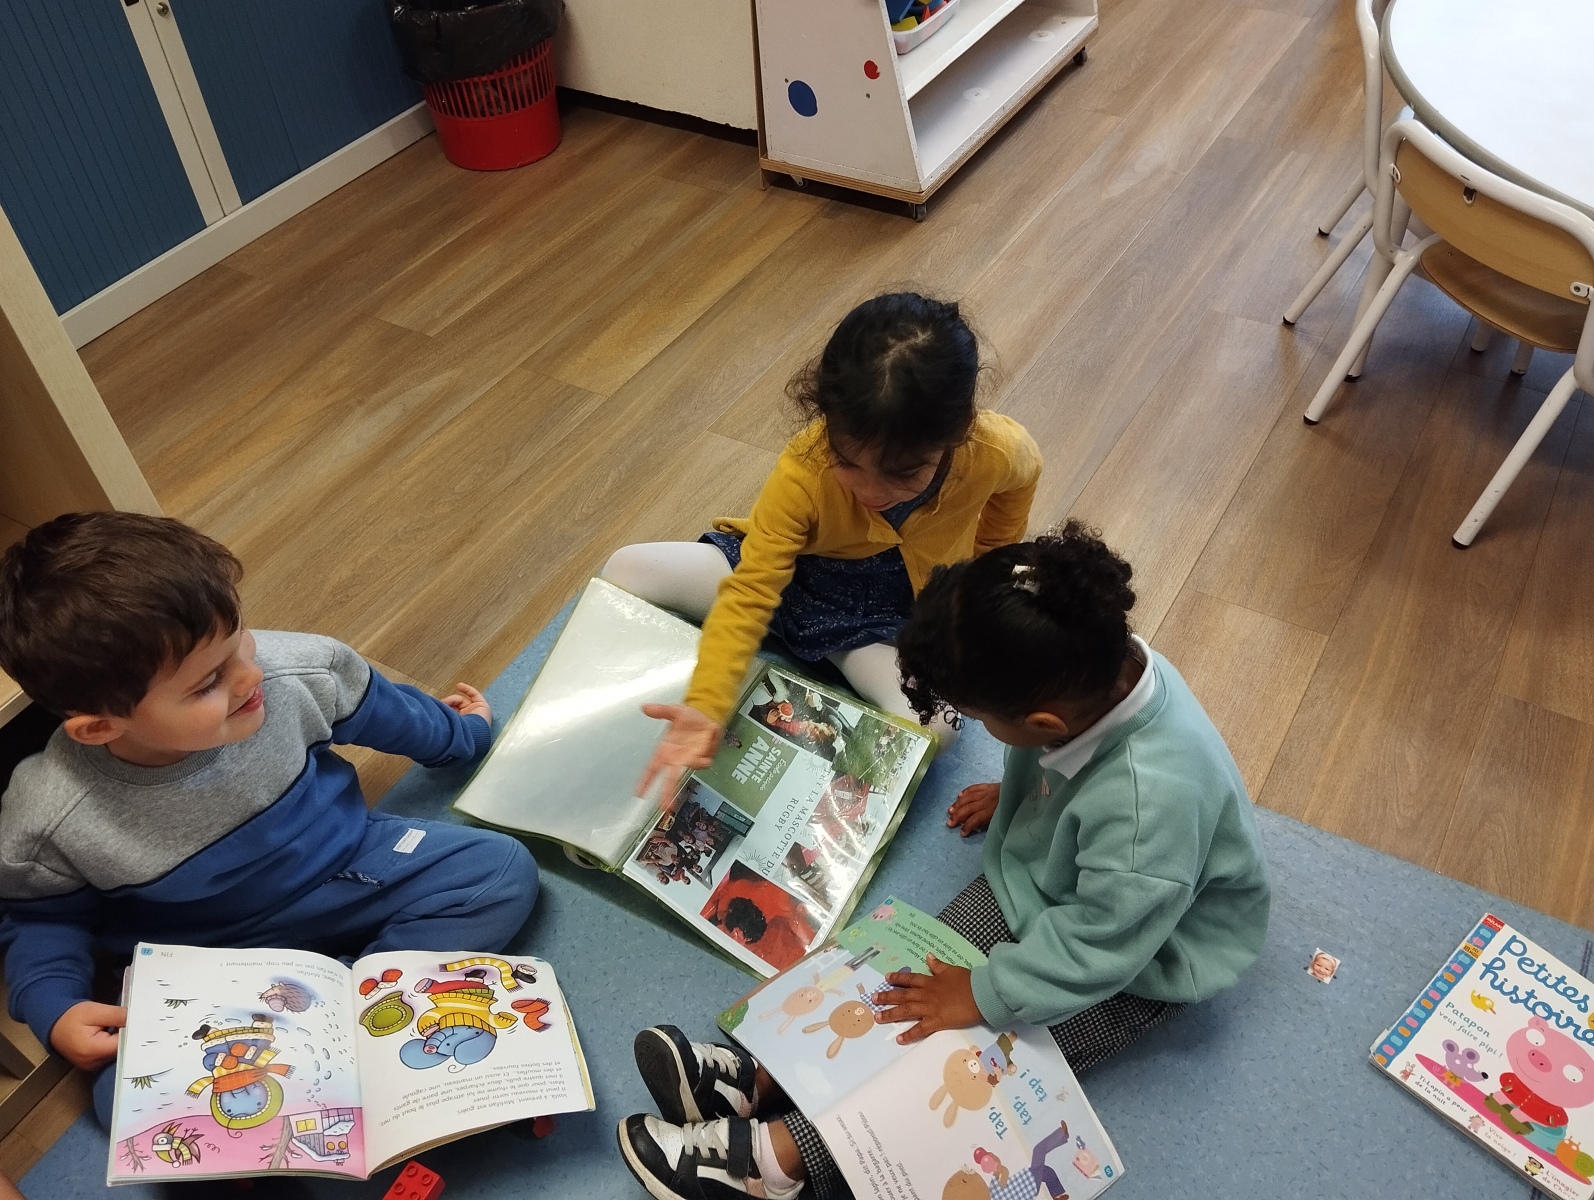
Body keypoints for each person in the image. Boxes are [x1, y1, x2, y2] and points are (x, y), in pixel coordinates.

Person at [616, 522, 1271, 1200]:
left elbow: (1100, 949)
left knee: (972, 1052)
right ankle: (757, 1078)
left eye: (982, 719)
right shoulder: (1097, 663)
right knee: (909, 966)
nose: (983, 728)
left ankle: (773, 1165)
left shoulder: (1145, 812)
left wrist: (983, 994)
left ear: (1045, 725)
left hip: (1138, 958)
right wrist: (1027, 789)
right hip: (1069, 882)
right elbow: (1075, 764)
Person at [0, 512, 538, 1127]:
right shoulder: (47, 816)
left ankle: (339, 1007)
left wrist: (463, 735)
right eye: (208, 683)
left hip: (351, 871)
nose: (251, 675)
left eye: (240, 638)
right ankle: (327, 1018)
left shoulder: (299, 671)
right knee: (124, 1101)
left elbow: (391, 713)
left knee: (498, 870)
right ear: (100, 728)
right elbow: (40, 922)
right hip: (211, 958)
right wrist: (55, 1009)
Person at [602, 292, 1043, 803]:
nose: (871, 492)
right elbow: (751, 590)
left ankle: (828, 653)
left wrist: (984, 568)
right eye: (847, 462)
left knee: (937, 729)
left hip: (880, 619)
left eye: (904, 473)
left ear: (959, 430)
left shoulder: (996, 450)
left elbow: (1021, 480)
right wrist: (705, 704)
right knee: (626, 566)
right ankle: (796, 645)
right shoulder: (803, 471)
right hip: (790, 578)